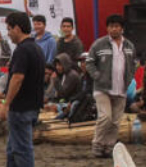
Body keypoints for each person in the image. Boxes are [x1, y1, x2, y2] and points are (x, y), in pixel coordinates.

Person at [0, 11, 45, 167]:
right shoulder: (35, 48)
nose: (8, 33)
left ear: (17, 28)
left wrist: (6, 103)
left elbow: (17, 77)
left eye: (9, 29)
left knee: (22, 148)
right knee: (13, 148)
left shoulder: (22, 50)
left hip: (21, 107)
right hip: (31, 105)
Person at [87, 14, 133, 158]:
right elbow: (89, 62)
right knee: (105, 117)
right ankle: (98, 144)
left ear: (122, 28)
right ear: (107, 28)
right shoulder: (99, 44)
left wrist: (129, 78)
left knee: (115, 121)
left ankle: (109, 147)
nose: (114, 29)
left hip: (121, 88)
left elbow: (133, 64)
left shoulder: (129, 46)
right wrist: (97, 76)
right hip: (102, 88)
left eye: (117, 26)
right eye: (111, 26)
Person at [44, 53, 84, 120]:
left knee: (54, 107)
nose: (57, 67)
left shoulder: (72, 75)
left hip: (71, 103)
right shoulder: (63, 75)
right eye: (56, 65)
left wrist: (55, 80)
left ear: (65, 64)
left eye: (59, 65)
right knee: (47, 105)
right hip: (63, 102)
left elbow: (63, 94)